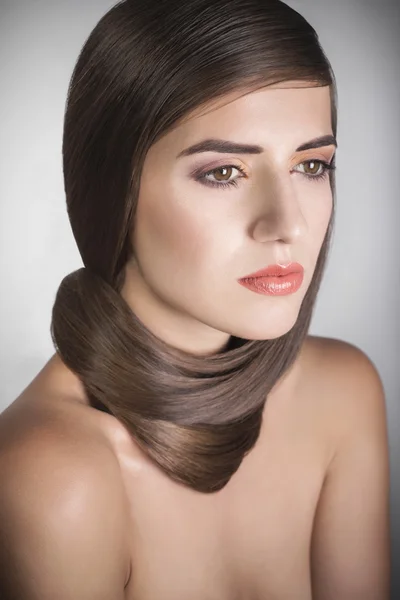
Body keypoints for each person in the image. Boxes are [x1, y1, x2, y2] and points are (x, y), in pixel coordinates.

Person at [0, 0, 390, 598]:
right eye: (224, 173)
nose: (285, 225)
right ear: (114, 188)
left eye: (311, 165)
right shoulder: (52, 476)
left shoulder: (342, 391)